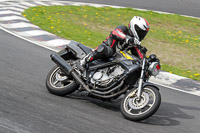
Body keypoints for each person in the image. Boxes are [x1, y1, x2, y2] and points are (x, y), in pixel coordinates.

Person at [79, 16, 150, 70]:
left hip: (117, 58)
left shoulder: (134, 43)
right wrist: (127, 38)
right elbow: (116, 33)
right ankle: (84, 61)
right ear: (134, 27)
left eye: (144, 33)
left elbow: (140, 56)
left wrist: (147, 61)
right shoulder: (123, 28)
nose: (142, 35)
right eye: (140, 32)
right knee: (103, 49)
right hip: (108, 49)